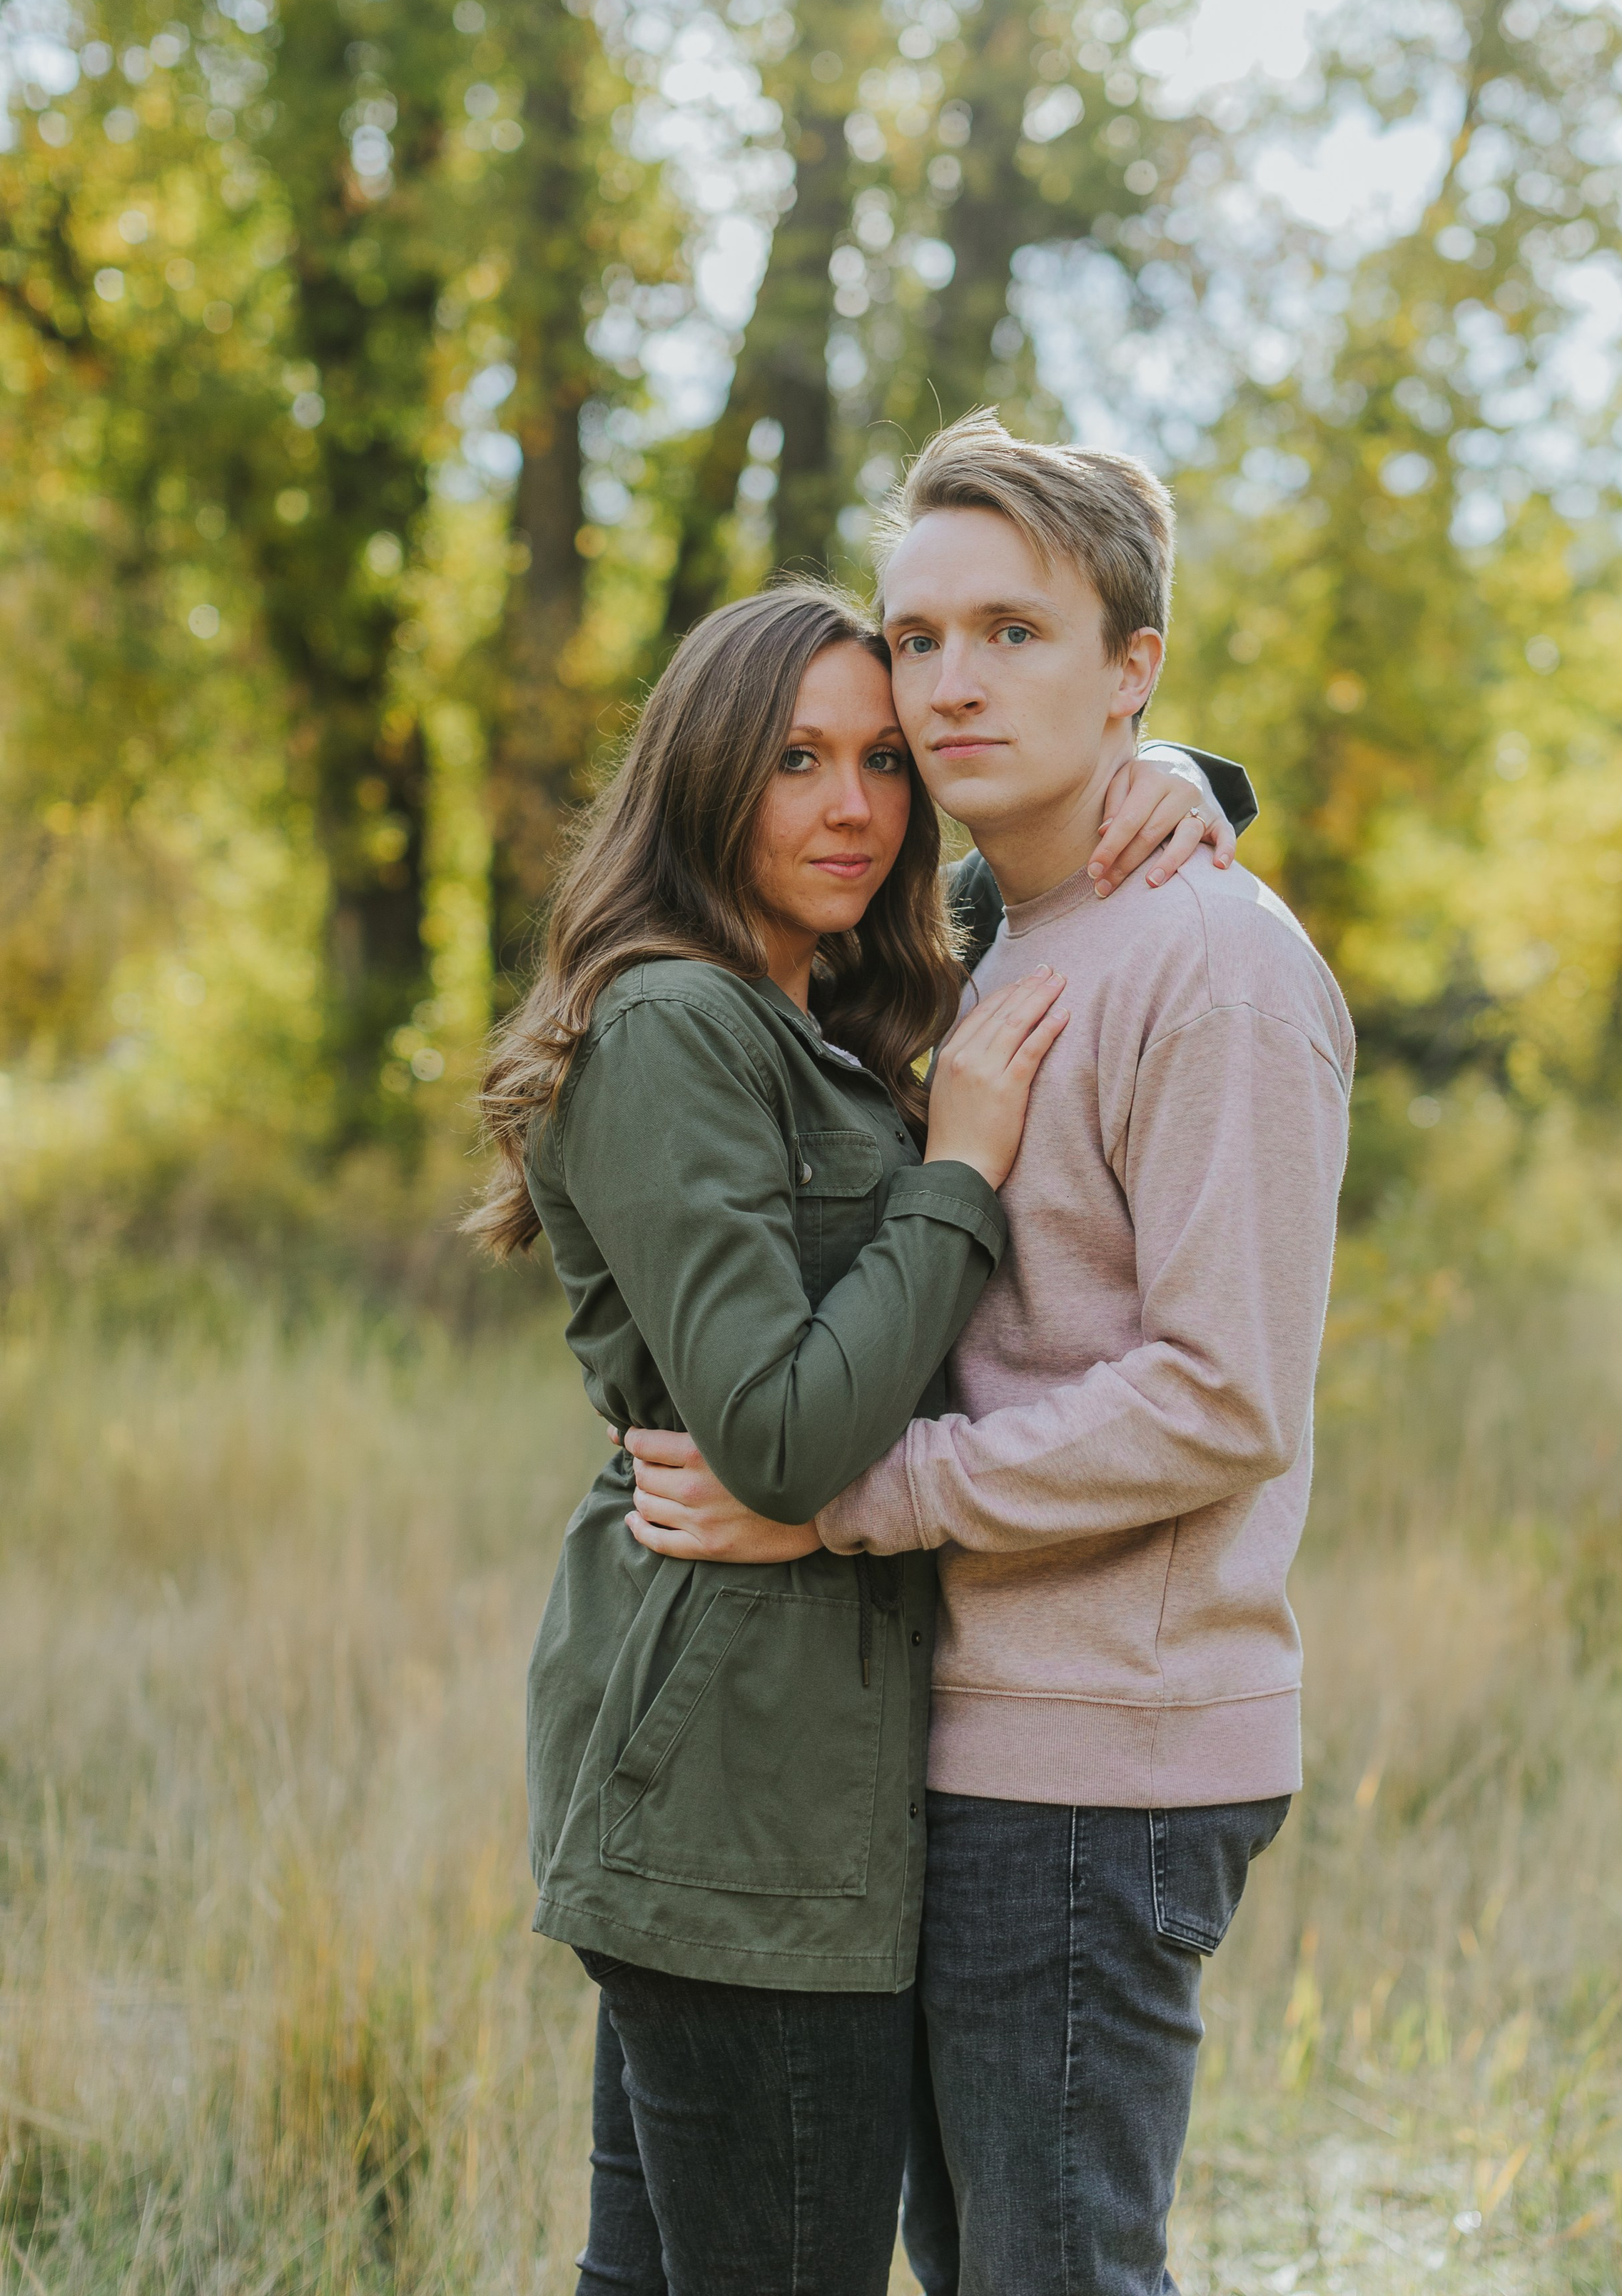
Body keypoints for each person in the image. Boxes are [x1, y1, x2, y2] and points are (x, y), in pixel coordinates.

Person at [627, 413, 1355, 2296]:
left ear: (1134, 666)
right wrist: (1178, 773)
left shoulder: (1220, 969)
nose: (951, 682)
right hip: (974, 1736)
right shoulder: (991, 932)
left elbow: (1223, 1393)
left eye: (1014, 633)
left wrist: (851, 1504)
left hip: (1106, 1754)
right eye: (921, 634)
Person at [465, 580, 1242, 2296]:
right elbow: (780, 1439)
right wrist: (956, 1167)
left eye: (883, 761)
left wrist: (1175, 764)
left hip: (764, 1773)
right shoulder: (677, 1022)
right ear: (701, 776)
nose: (851, 805)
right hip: (745, 1780)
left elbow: (1032, 840)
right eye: (795, 758)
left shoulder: (809, 998)